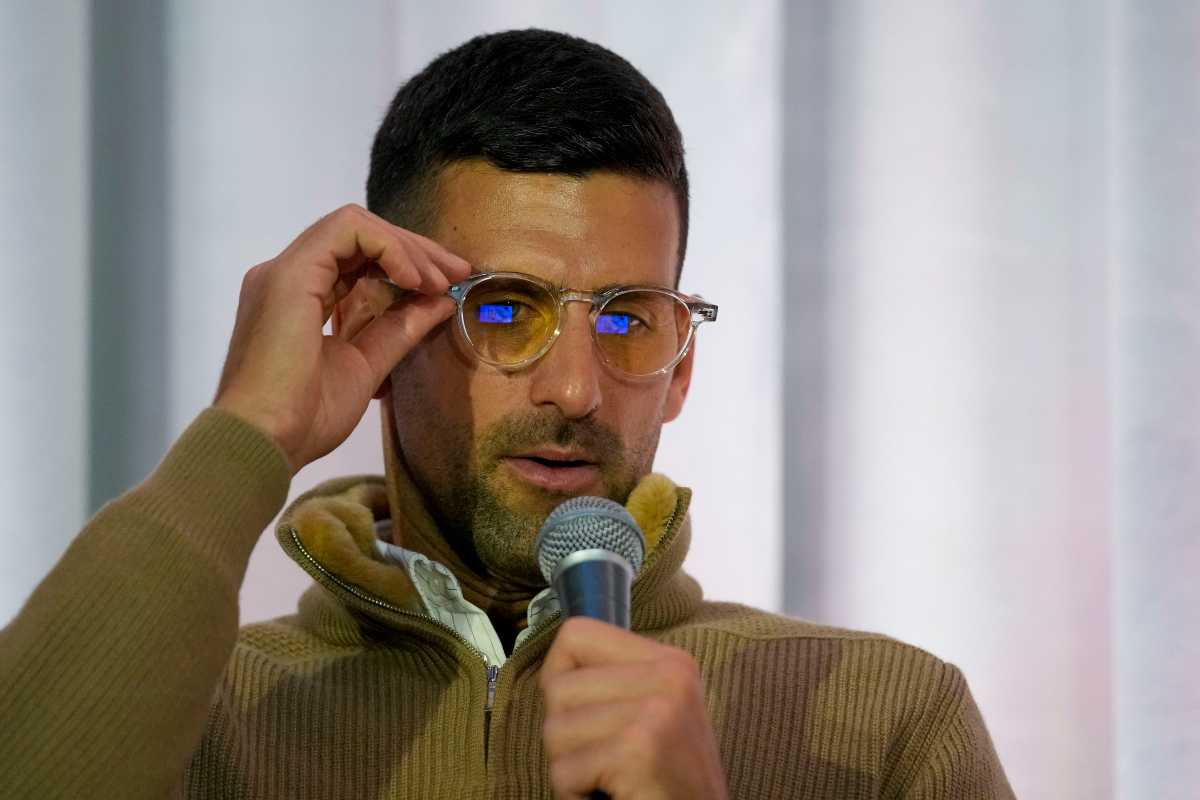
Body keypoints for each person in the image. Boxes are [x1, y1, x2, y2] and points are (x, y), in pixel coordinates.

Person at [0, 28, 1013, 800]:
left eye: (628, 319)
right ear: (382, 329)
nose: (576, 388)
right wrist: (251, 430)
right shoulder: (192, 716)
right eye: (503, 309)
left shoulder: (888, 723)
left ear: (682, 367)